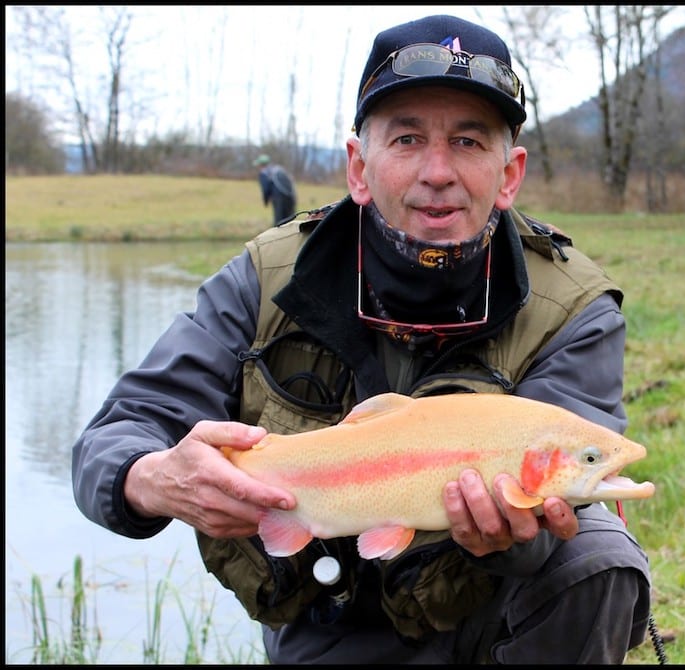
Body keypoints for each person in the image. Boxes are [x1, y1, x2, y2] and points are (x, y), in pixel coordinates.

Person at [71, 14, 651, 664]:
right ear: (357, 166)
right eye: (406, 139)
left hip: (489, 614)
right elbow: (116, 434)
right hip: (323, 615)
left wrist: (521, 535)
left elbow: (562, 515)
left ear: (509, 173)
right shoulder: (263, 278)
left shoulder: (572, 306)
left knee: (598, 554)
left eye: (468, 141)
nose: (438, 171)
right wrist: (151, 477)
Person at [254, 153, 297, 226]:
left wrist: (266, 201)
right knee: (289, 220)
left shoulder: (264, 173)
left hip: (278, 198)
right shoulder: (278, 169)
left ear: (261, 165)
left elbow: (266, 189)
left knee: (279, 221)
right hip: (289, 198)